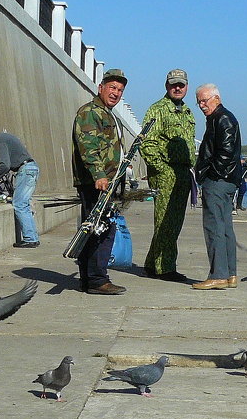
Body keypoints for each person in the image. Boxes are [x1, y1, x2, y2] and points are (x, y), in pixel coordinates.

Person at [70, 68, 129, 295]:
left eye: (120, 90)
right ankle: (97, 279)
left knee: (91, 227)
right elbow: (88, 147)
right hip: (96, 183)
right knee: (102, 229)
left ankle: (89, 278)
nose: (116, 93)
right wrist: (99, 175)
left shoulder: (108, 114)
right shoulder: (90, 112)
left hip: (107, 182)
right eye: (112, 88)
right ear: (101, 88)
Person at [139, 68, 196, 282]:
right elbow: (148, 143)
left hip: (183, 172)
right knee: (166, 220)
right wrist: (162, 170)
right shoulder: (158, 109)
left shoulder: (187, 112)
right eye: (174, 84)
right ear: (166, 86)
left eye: (181, 84)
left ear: (187, 86)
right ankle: (165, 268)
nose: (178, 87)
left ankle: (153, 264)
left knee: (174, 221)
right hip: (167, 173)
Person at [191, 83, 242, 290]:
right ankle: (230, 274)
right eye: (199, 102)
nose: (202, 105)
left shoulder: (222, 118)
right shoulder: (218, 118)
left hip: (219, 181)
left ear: (217, 99)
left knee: (214, 227)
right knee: (225, 227)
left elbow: (226, 152)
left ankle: (218, 275)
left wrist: (210, 175)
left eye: (205, 100)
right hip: (226, 180)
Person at [0, 130, 41, 247]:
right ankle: (33, 238)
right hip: (30, 168)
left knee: (19, 204)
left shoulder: (0, 140)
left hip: (26, 170)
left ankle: (30, 239)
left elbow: (5, 165)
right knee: (24, 204)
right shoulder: (4, 137)